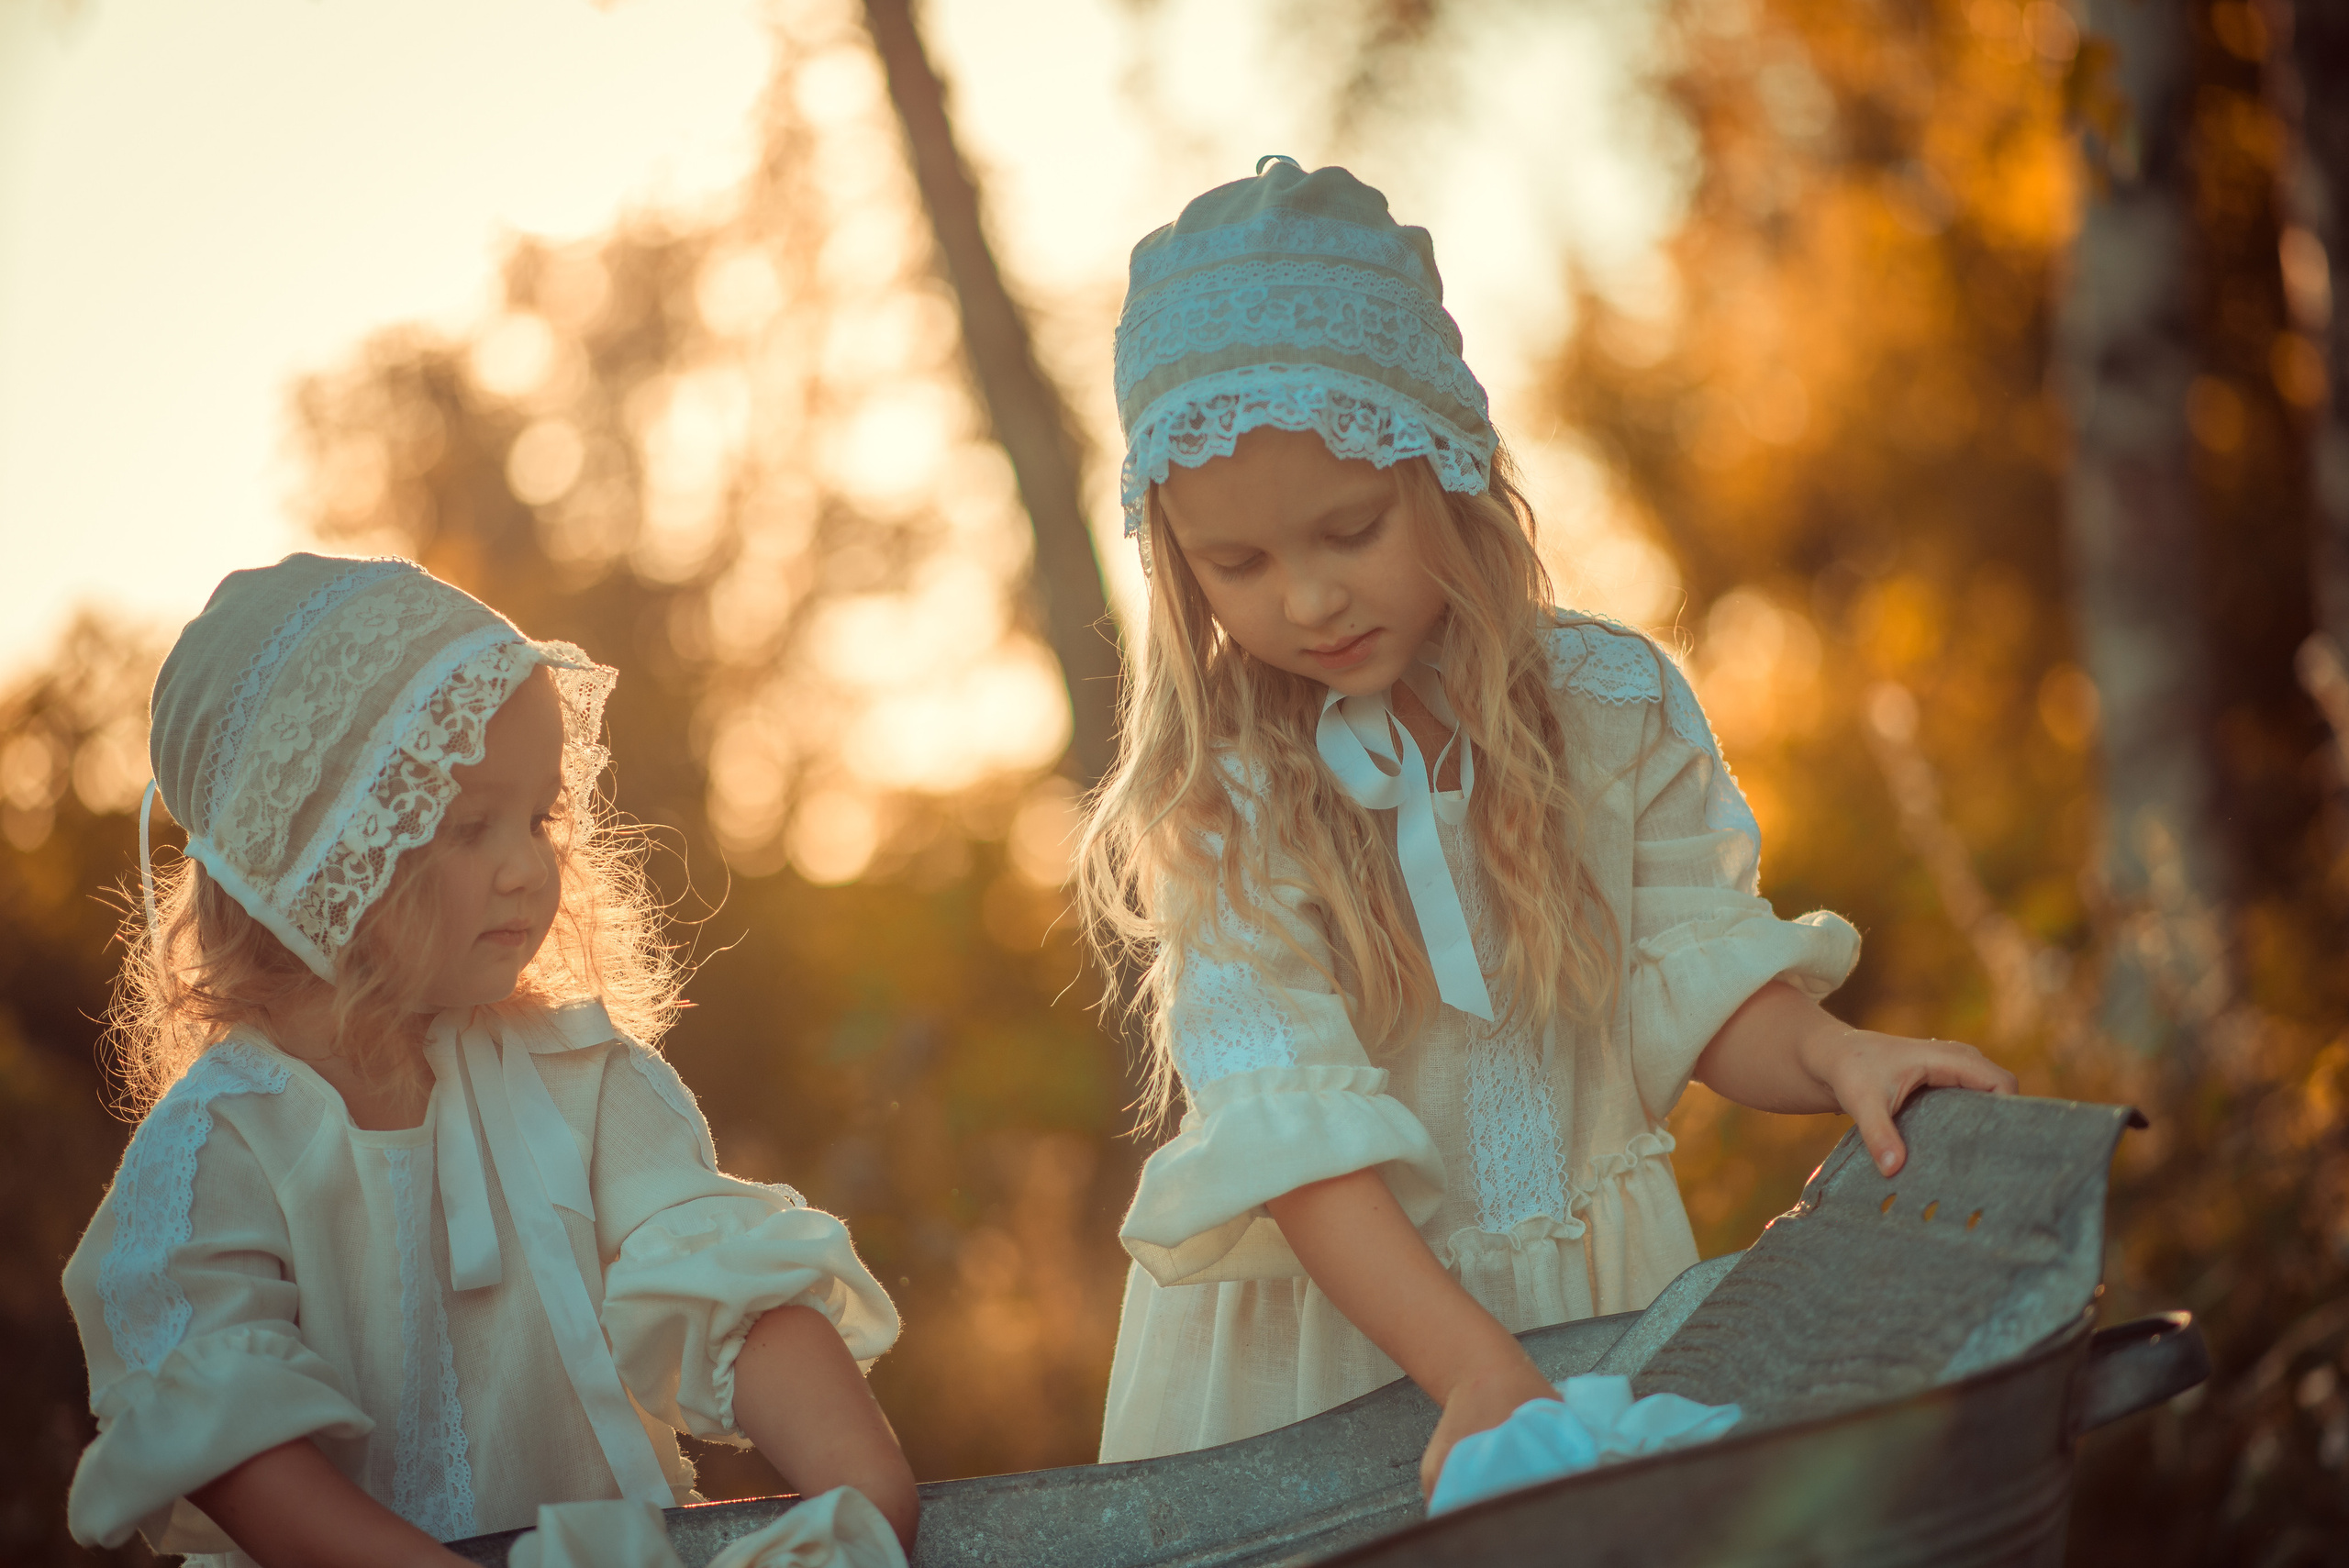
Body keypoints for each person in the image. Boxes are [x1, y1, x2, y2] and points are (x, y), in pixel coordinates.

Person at [1077, 158, 2016, 1493]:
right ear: (1177, 560)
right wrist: (1469, 1368)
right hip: (1341, 1334)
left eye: (1348, 529)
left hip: (1586, 1301)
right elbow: (1297, 1149)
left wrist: (1832, 1052)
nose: (1305, 598)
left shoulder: (1610, 706)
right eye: (1238, 565)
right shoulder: (1228, 795)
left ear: (1448, 468)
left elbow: (1688, 981)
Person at [62, 555, 918, 1565]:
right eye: (471, 825)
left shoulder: (582, 1079)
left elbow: (730, 1290)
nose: (529, 864)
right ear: (321, 855)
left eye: (540, 816)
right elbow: (243, 1448)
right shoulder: (216, 1151)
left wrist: (865, 1491)